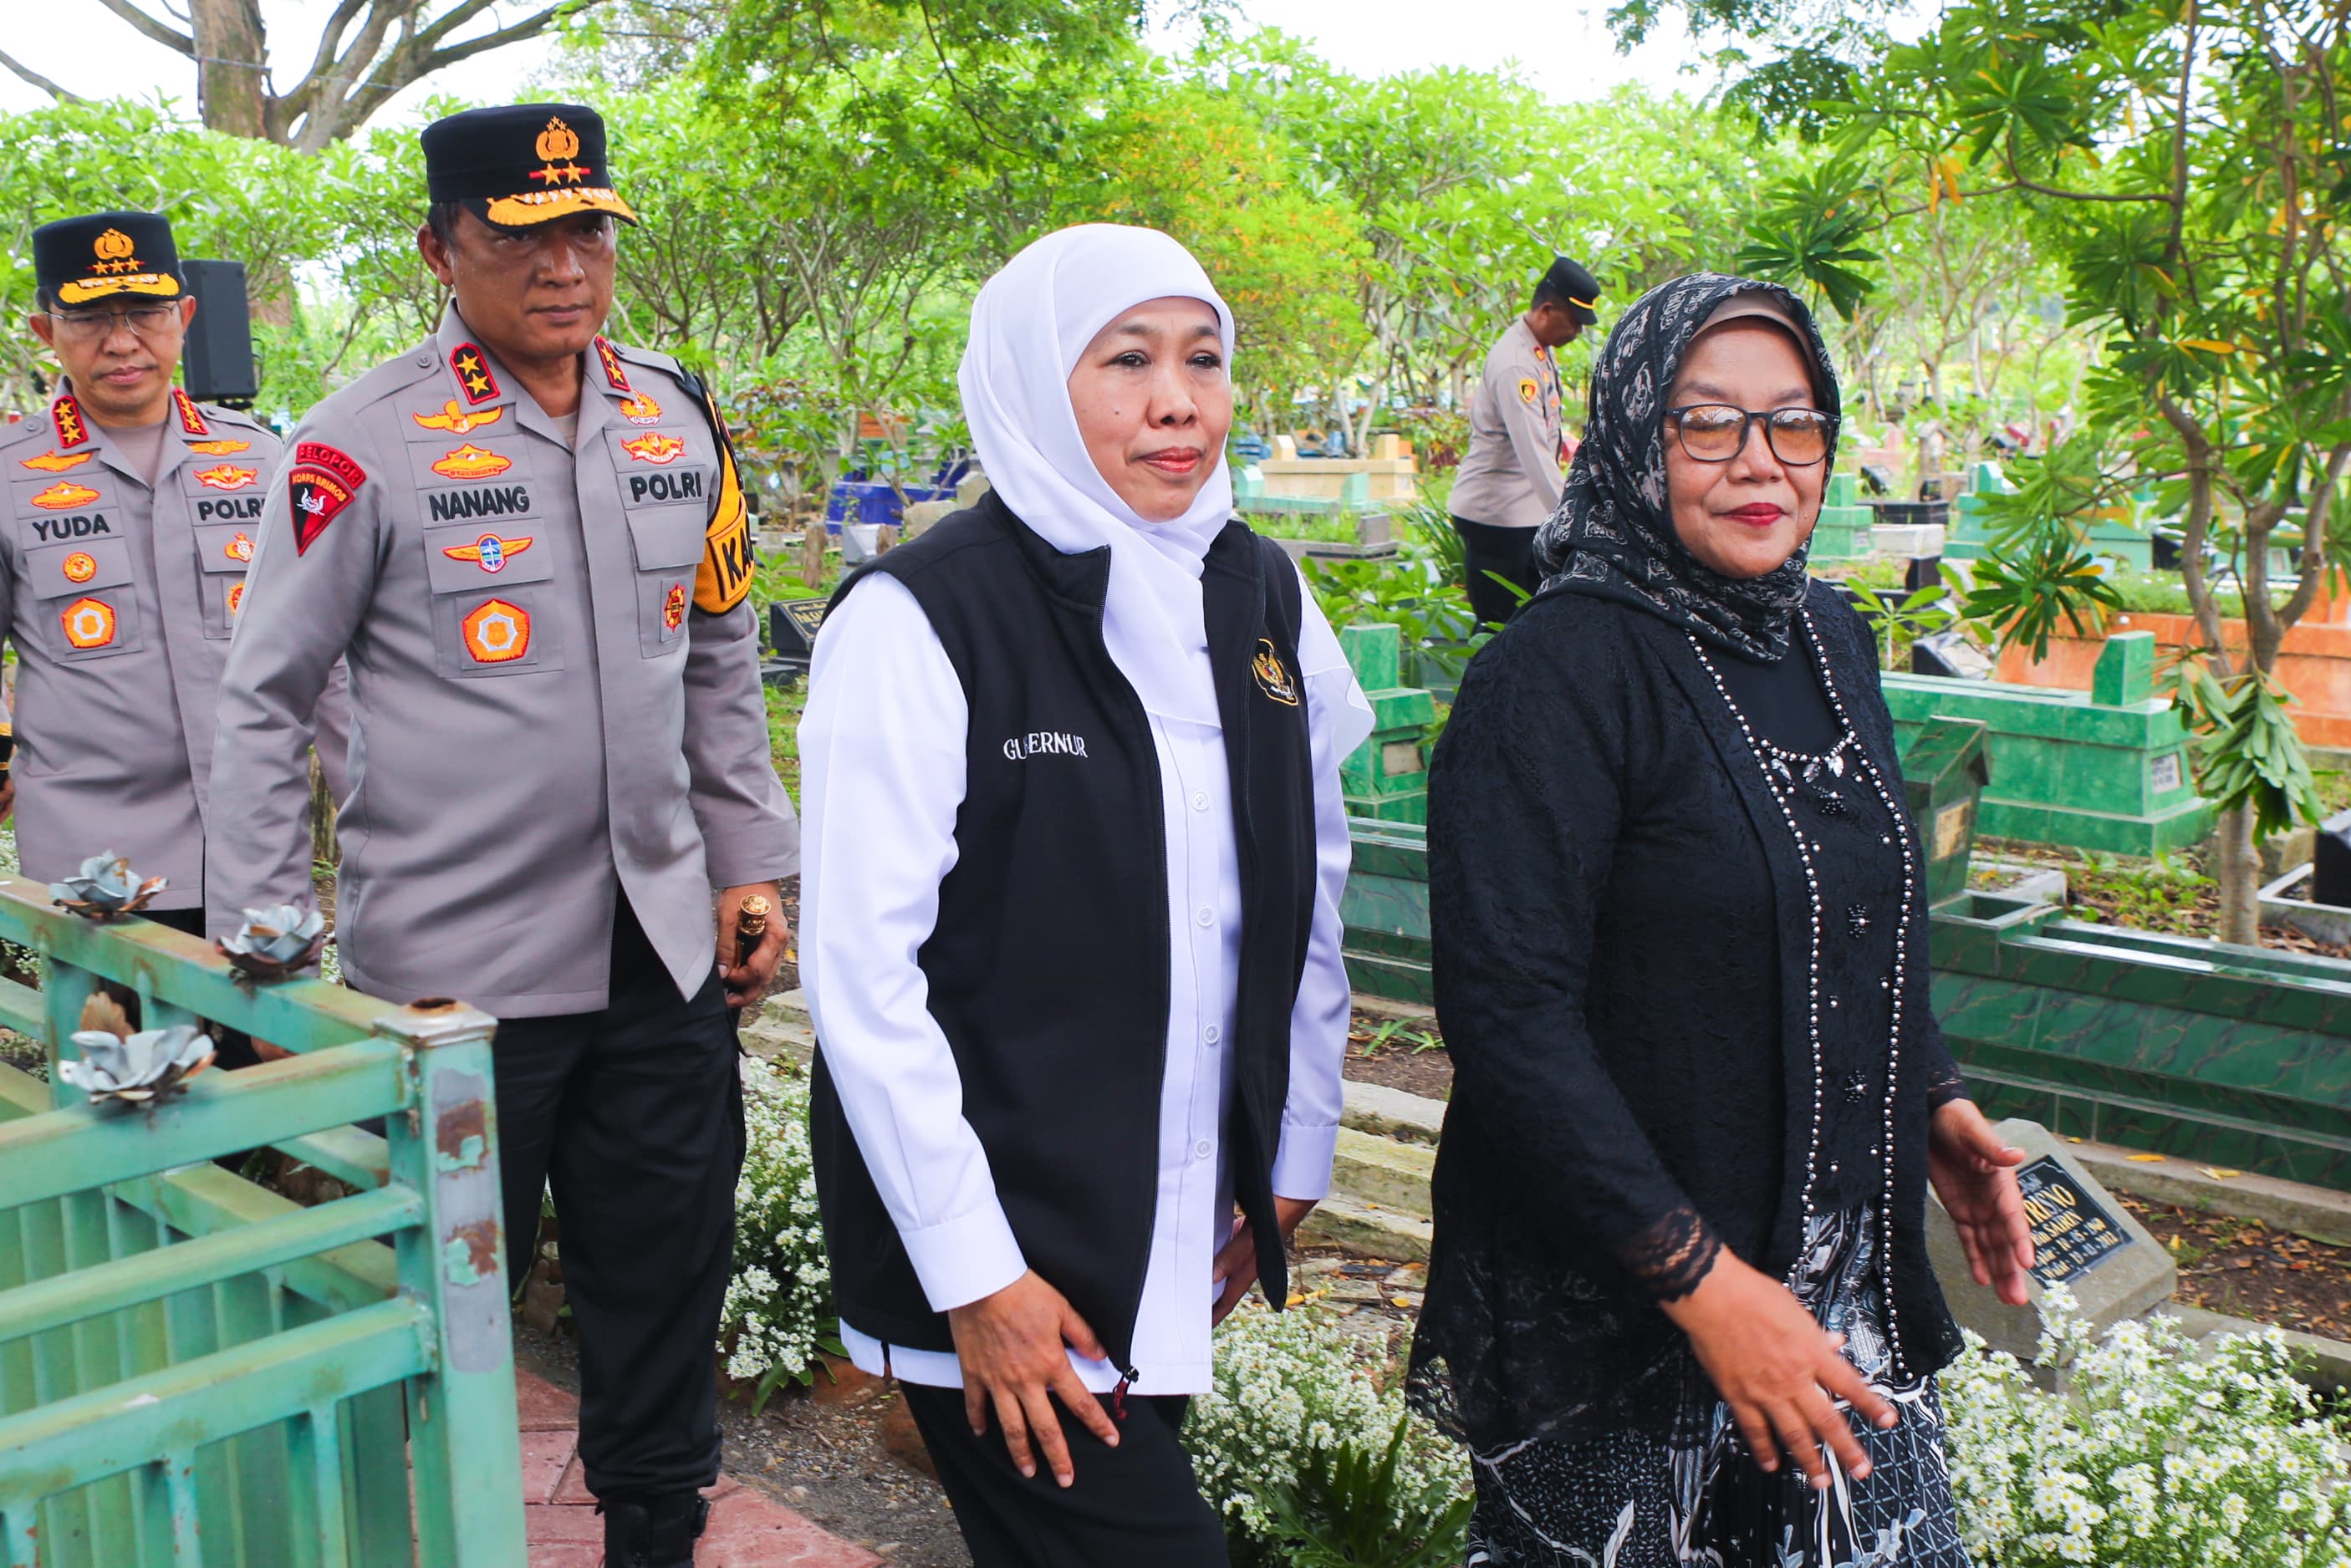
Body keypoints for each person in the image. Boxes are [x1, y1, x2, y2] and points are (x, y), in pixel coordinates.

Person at [204, 104, 798, 1568]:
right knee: (428, 1303)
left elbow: (718, 654)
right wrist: (267, 949)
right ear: (440, 249)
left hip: (658, 952)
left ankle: (654, 1534)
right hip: (452, 982)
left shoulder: (674, 417)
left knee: (662, 1280)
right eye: (522, 235)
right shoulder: (362, 441)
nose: (565, 265)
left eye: (588, 230)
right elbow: (263, 698)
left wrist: (750, 862)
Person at [1410, 273, 2035, 1567]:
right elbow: (1510, 1022)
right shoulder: (1553, 677)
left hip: (1837, 1305)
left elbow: (1848, 901)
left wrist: (1929, 1097)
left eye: (1794, 422)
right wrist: (1703, 1284)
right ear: (1636, 436)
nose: (1761, 461)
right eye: (1709, 423)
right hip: (1626, 1333)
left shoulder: (1826, 635)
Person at [798, 223, 1373, 1567]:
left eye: (1203, 360)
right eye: (1127, 361)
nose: (1178, 402)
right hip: (1008, 1247)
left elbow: (1309, 891)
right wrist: (976, 1275)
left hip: (1181, 1220)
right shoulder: (925, 618)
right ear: (1030, 380)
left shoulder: (1262, 593)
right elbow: (863, 978)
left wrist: (1290, 1154)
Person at [3, 210, 344, 1062]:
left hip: (258, 855)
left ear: (184, 317)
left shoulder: (262, 461)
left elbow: (328, 654)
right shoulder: (9, 475)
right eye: (90, 317)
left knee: (283, 1092)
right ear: (46, 331)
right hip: (98, 875)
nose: (122, 341)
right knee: (128, 1101)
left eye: (146, 312)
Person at [1447, 255, 1599, 628]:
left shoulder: (1536, 349)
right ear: (1547, 310)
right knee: (1499, 627)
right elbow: (1533, 452)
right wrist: (1571, 521)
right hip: (1498, 518)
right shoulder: (1517, 364)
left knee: (1526, 621)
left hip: (1521, 513)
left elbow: (1541, 430)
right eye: (1574, 322)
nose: (1577, 332)